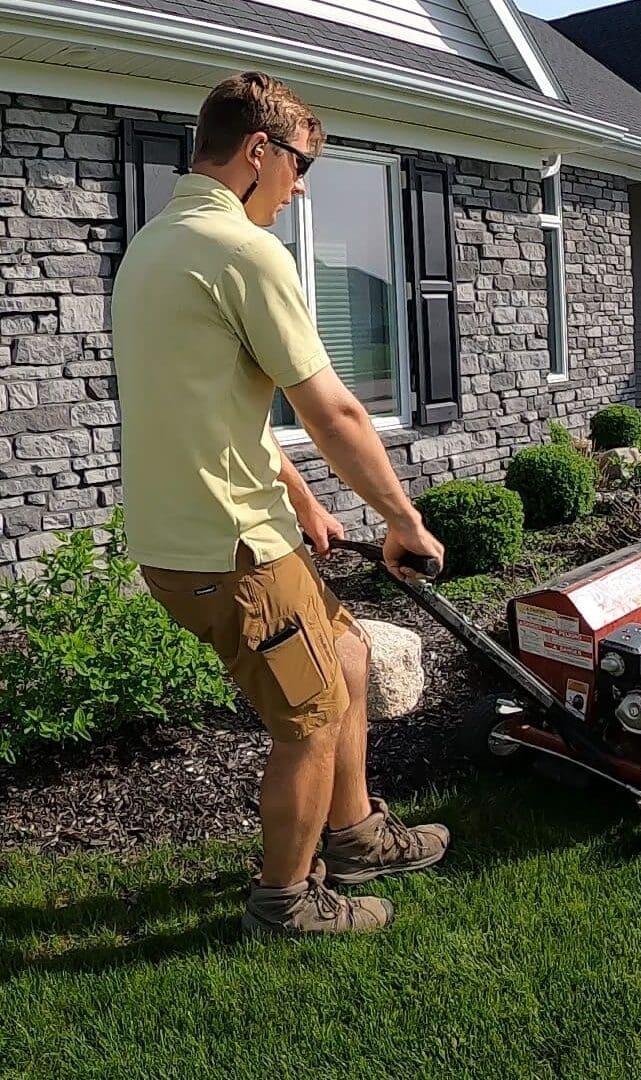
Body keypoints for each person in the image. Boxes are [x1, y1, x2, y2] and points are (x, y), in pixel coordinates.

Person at [111, 71, 449, 937]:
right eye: (300, 164)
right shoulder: (243, 251)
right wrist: (403, 521)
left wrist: (302, 495)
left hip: (193, 532)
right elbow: (329, 407)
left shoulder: (155, 245)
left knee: (347, 658)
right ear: (257, 151)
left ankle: (357, 833)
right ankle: (285, 902)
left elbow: (218, 404)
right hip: (230, 550)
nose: (302, 186)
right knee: (312, 719)